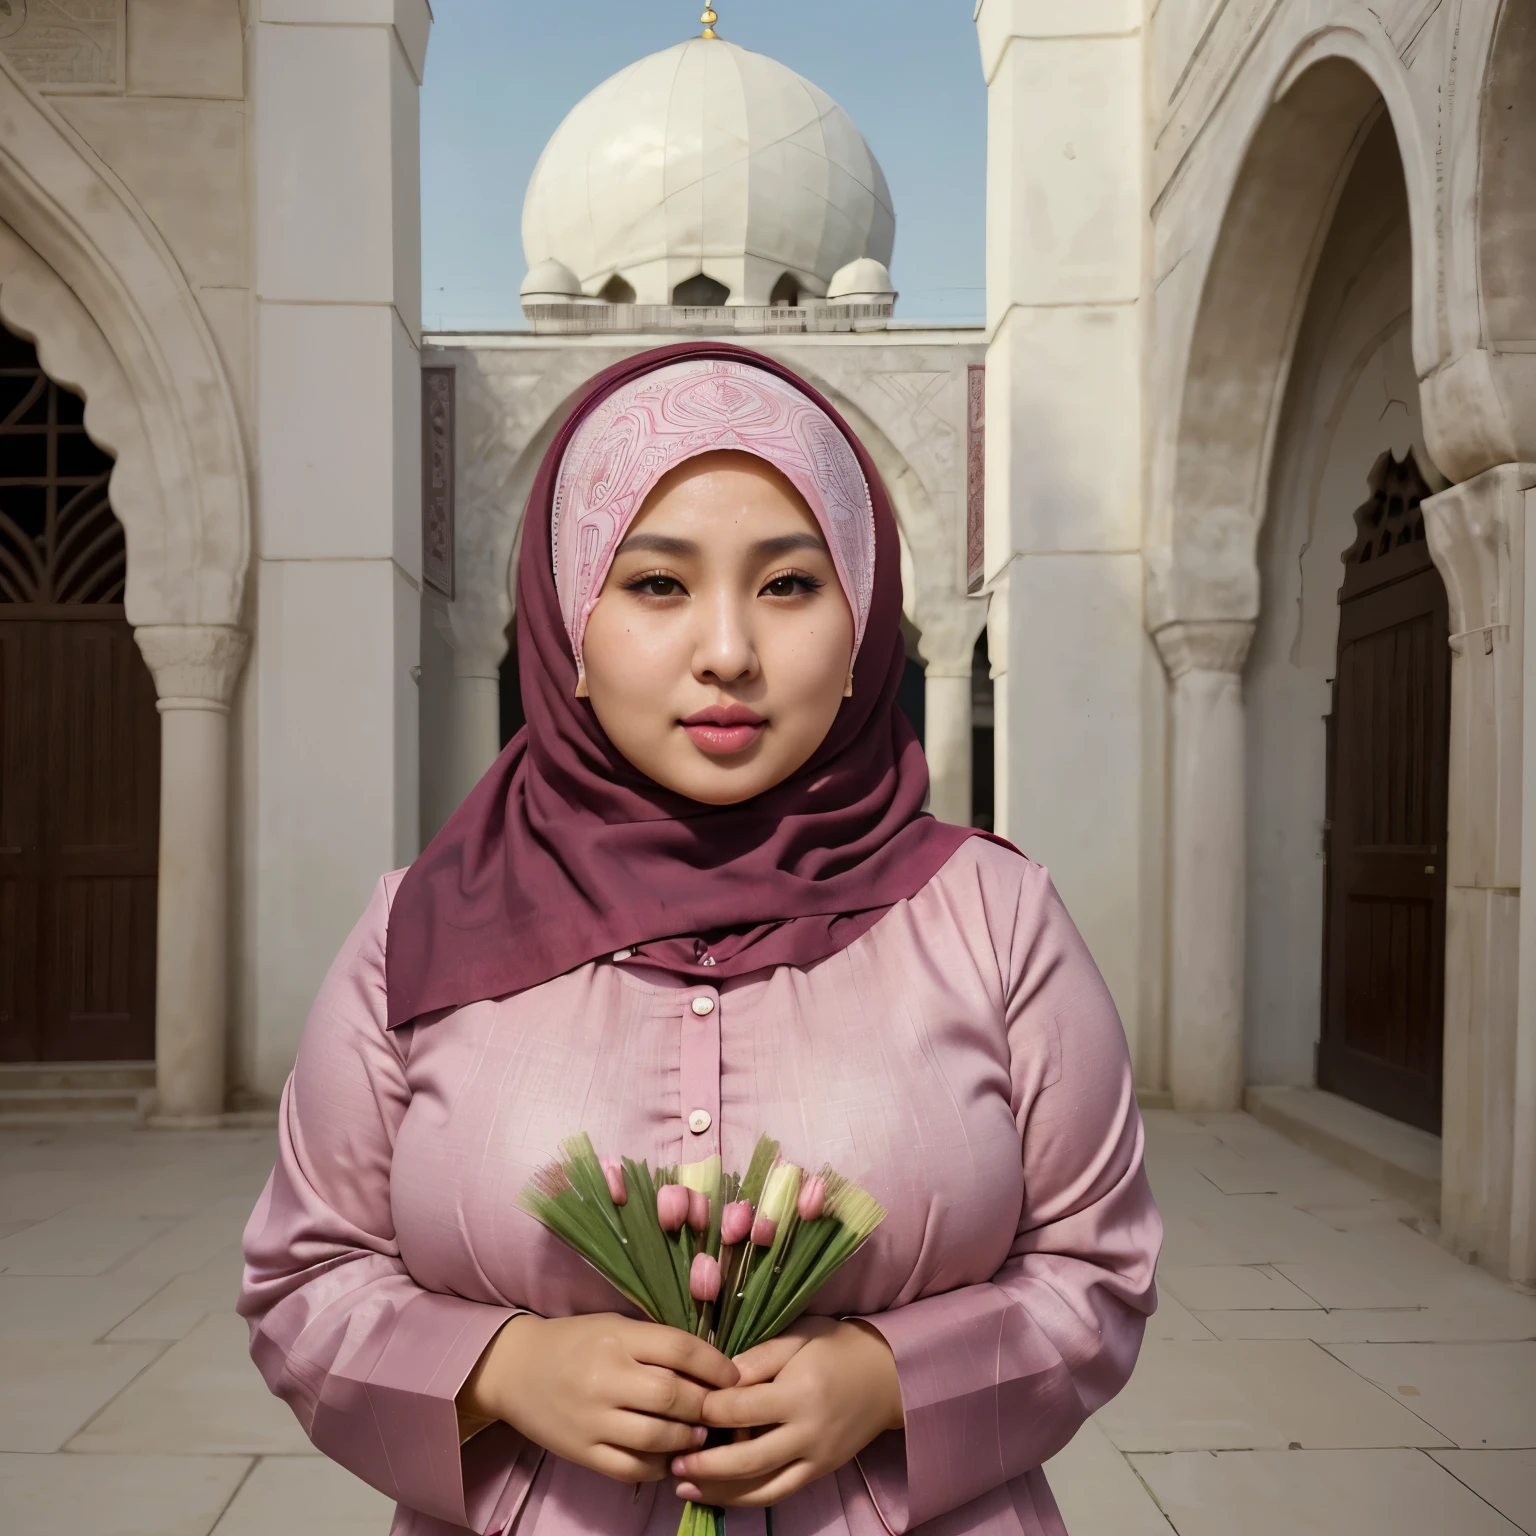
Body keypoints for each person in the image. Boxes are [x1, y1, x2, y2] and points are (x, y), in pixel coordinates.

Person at [239, 345, 1161, 1536]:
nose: (726, 651)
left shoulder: (993, 919)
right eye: (657, 585)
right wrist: (499, 1371)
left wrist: (891, 1382)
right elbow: (305, 1281)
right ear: (570, 621)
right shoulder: (419, 928)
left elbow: (1098, 1272)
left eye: (787, 584)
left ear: (866, 619)